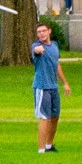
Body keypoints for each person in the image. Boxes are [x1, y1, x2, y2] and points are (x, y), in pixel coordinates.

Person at [32, 22, 69, 154]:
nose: (41, 34)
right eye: (39, 32)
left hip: (53, 87)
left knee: (55, 117)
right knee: (44, 118)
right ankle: (41, 150)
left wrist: (65, 83)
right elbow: (36, 51)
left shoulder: (54, 46)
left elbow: (56, 65)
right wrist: (38, 50)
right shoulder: (36, 46)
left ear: (49, 31)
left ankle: (49, 145)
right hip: (42, 87)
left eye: (43, 31)